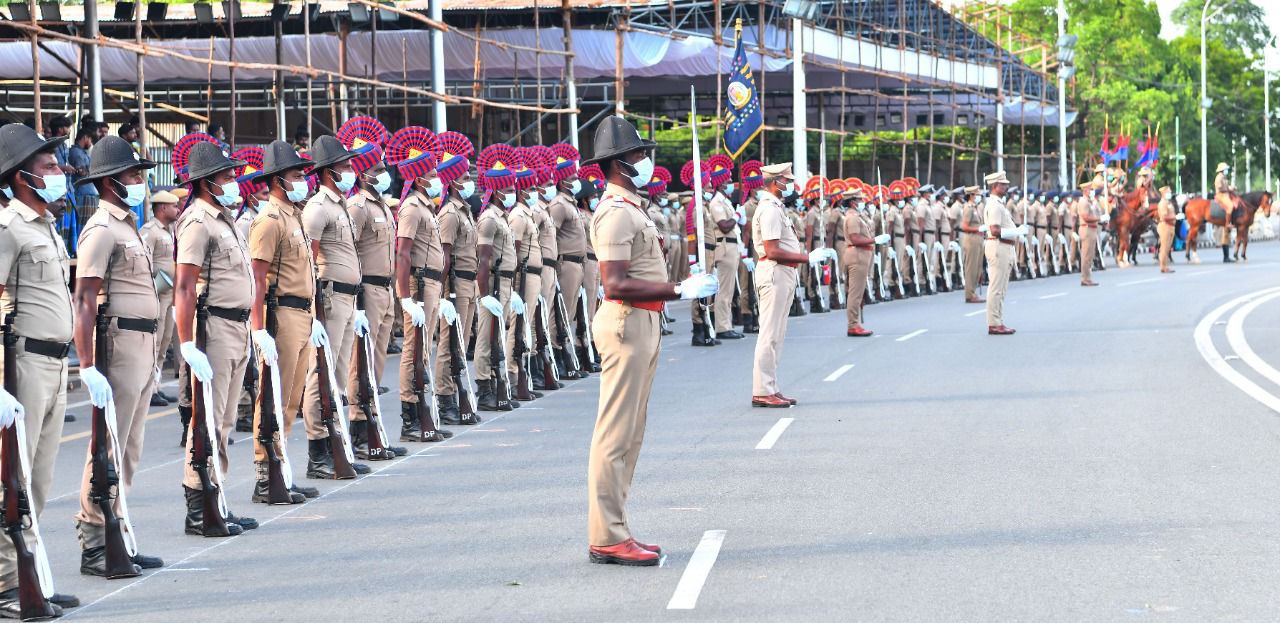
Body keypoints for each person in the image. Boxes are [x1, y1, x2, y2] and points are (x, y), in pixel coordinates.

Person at [584, 116, 716, 566]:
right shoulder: (615, 213)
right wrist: (678, 291)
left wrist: (679, 285)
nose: (645, 160)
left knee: (631, 435)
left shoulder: (632, 208)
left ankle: (617, 527)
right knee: (615, 435)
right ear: (620, 163)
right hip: (627, 323)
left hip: (645, 323)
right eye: (639, 154)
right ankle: (606, 535)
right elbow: (615, 284)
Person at [71, 135, 165, 577]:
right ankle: (95, 538)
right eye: (132, 174)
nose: (139, 180)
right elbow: (85, 298)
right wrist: (87, 365)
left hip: (143, 341)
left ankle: (118, 530)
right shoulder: (102, 229)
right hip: (120, 342)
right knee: (107, 444)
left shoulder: (129, 225)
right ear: (111, 182)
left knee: (129, 446)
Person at [0, 124, 81, 614]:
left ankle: (31, 574)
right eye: (49, 167)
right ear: (22, 175)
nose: (58, 173)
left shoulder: (45, 224)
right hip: (25, 363)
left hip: (55, 365)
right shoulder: (8, 228)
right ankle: (10, 585)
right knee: (13, 479)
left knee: (41, 479)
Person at [172, 141, 261, 536]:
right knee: (206, 422)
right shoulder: (197, 221)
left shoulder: (224, 219)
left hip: (237, 326)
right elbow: (185, 286)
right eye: (227, 177)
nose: (235, 182)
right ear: (208, 182)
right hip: (215, 327)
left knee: (224, 420)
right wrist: (188, 343)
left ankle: (217, 498)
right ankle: (199, 506)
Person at [247, 140, 324, 505]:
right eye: (296, 175)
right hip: (282, 316)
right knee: (273, 398)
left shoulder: (294, 215)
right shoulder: (269, 220)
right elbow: (257, 279)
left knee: (290, 398)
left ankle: (282, 470)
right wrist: (259, 328)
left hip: (302, 314)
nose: (303, 180)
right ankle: (266, 474)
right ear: (278, 179)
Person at [337, 117, 410, 454]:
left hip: (384, 290)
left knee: (376, 361)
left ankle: (371, 425)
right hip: (366, 289)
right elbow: (346, 250)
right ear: (364, 173)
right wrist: (357, 300)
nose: (385, 174)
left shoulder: (380, 204)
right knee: (360, 362)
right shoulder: (357, 207)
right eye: (378, 168)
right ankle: (359, 425)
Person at [300, 135, 371, 478]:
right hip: (328, 298)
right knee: (321, 374)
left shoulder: (339, 205)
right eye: (344, 165)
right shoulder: (317, 208)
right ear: (328, 171)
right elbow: (308, 262)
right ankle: (318, 450)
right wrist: (314, 311)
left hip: (347, 296)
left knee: (339, 373)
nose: (350, 170)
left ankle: (335, 442)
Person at [388, 127, 453, 442]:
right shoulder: (412, 207)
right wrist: (405, 298)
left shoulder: (425, 205)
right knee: (413, 349)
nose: (437, 176)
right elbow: (403, 253)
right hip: (418, 283)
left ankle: (421, 413)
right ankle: (410, 417)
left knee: (423, 349)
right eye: (430, 172)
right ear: (419, 177)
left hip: (430, 284)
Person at [432, 131, 483, 425]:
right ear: (452, 182)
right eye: (464, 177)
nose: (469, 181)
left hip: (468, 281)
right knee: (448, 343)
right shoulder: (450, 213)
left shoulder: (463, 210)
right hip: (455, 284)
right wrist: (444, 293)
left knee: (460, 343)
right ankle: (445, 397)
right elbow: (445, 256)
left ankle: (454, 393)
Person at [750, 163, 810, 408]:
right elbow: (773, 250)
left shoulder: (776, 207)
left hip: (783, 273)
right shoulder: (770, 209)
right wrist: (807, 258)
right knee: (769, 334)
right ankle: (763, 390)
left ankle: (771, 386)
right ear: (776, 182)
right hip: (774, 272)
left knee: (777, 334)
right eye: (788, 180)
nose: (791, 184)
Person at [473, 144, 521, 412]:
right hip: (492, 284)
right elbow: (483, 259)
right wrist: (485, 295)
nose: (512, 191)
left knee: (498, 337)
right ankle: (484, 388)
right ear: (498, 189)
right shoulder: (489, 218)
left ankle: (496, 383)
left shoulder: (501, 217)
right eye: (508, 186)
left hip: (504, 282)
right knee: (485, 338)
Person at [142, 190, 180, 408]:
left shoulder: (171, 230)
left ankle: (156, 386)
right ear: (162, 208)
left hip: (169, 293)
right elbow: (144, 263)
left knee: (164, 341)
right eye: (173, 206)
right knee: (154, 343)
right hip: (157, 292)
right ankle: (149, 389)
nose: (177, 209)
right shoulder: (151, 231)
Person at [705, 156, 742, 338]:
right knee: (724, 290)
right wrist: (736, 216)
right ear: (720, 185)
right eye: (728, 181)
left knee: (729, 289)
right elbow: (724, 226)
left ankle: (726, 324)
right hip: (725, 248)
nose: (731, 184)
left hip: (732, 248)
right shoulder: (716, 203)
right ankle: (722, 327)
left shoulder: (725, 201)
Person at [982, 171, 1018, 335]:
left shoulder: (998, 204)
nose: (1006, 187)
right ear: (995, 186)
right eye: (1003, 184)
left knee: (1001, 288)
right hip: (999, 246)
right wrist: (1014, 232)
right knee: (996, 287)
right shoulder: (995, 205)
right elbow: (995, 230)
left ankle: (998, 321)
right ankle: (994, 323)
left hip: (1004, 246)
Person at [842, 187, 878, 336]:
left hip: (861, 255)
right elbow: (855, 238)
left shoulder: (858, 215)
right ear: (852, 202)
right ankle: (853, 325)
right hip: (857, 255)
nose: (862, 201)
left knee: (857, 292)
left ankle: (855, 323)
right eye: (859, 199)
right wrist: (875, 240)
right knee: (855, 293)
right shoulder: (853, 217)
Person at [1077, 180, 1102, 286]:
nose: (1092, 191)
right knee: (1086, 255)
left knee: (1090, 255)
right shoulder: (1083, 201)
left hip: (1092, 229)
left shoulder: (1090, 202)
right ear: (1085, 190)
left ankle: (1088, 277)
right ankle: (1084, 278)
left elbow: (1096, 213)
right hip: (1086, 229)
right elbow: (1086, 217)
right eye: (1091, 189)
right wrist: (1098, 218)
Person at [68, 127, 98, 211]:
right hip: (83, 193)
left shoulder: (80, 152)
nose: (91, 142)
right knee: (85, 223)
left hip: (86, 192)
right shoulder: (76, 152)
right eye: (90, 139)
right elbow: (81, 172)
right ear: (85, 137)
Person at [1213, 162, 1235, 263]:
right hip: (1221, 195)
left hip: (1226, 194)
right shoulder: (1219, 177)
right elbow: (1219, 188)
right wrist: (1228, 188)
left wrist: (1231, 188)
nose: (1227, 170)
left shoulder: (1224, 177)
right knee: (1230, 206)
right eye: (1225, 169)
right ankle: (1228, 222)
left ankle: (1227, 256)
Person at [1157, 185, 1177, 273]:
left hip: (1171, 226)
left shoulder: (1169, 203)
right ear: (1164, 193)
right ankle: (1163, 266)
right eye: (1168, 191)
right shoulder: (1162, 203)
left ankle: (1165, 266)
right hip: (1165, 226)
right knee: (1164, 248)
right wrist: (1174, 217)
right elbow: (1164, 217)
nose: (1170, 193)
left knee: (1168, 248)